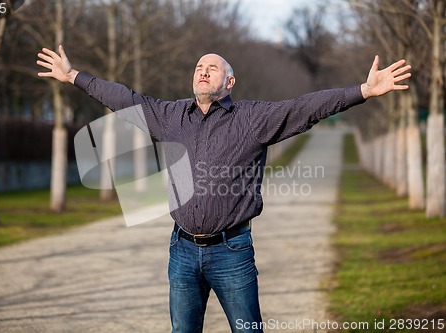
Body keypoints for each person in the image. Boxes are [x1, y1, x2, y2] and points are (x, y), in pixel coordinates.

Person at [37, 46, 411, 333]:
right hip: (181, 251)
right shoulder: (169, 117)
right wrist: (73, 76)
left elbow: (306, 107)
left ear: (228, 83)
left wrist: (361, 90)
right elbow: (123, 97)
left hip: (232, 252)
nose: (203, 71)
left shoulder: (252, 119)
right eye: (199, 67)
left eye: (212, 68)